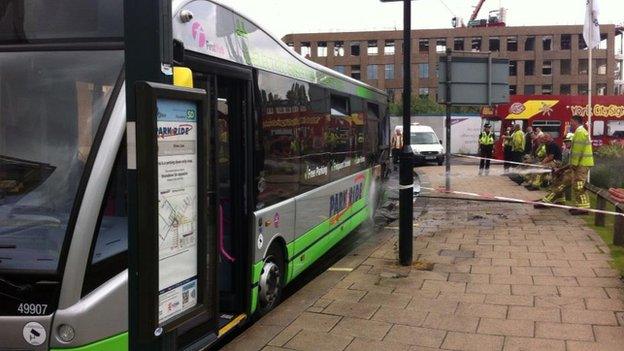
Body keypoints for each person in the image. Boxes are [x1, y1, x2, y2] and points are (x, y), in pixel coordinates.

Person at [535, 115, 594, 215]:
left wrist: (573, 165)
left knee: (579, 185)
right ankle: (579, 206)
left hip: (581, 164)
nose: (570, 124)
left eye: (571, 122)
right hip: (581, 163)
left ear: (576, 121)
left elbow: (577, 152)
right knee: (576, 185)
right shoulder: (581, 132)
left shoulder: (579, 132)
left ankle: (584, 208)